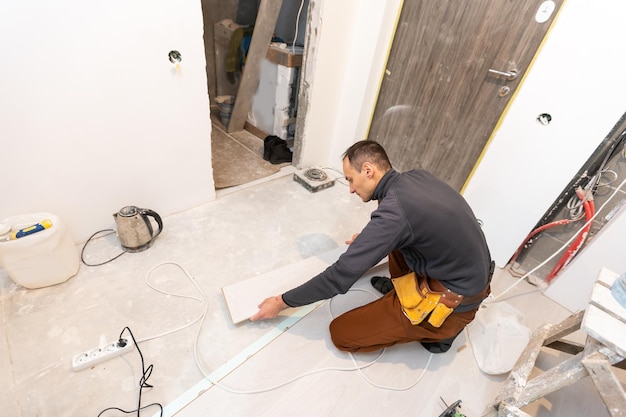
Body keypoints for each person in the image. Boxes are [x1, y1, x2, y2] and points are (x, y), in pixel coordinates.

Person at [251, 140, 493, 354]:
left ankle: (440, 333)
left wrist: (281, 301)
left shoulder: (396, 214)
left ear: (368, 170)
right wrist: (371, 239)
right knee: (394, 241)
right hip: (469, 271)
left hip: (456, 300)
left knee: (341, 334)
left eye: (351, 180)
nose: (351, 189)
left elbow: (338, 278)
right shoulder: (416, 177)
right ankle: (402, 291)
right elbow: (408, 223)